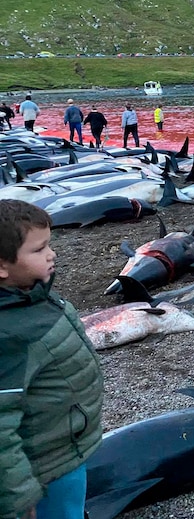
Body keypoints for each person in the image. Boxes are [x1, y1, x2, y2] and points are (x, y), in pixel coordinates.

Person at [0, 200, 104, 519]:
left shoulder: (31, 295)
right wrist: (20, 498)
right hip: (44, 469)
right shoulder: (11, 335)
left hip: (63, 448)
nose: (52, 254)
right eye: (39, 249)